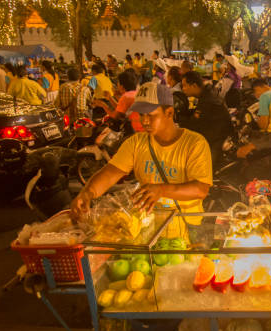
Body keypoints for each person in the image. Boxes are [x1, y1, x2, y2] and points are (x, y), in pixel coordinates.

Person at [70, 82, 212, 243]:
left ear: (169, 113)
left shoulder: (194, 143)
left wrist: (161, 190)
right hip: (147, 230)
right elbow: (110, 173)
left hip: (185, 229)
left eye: (150, 115)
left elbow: (201, 189)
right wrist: (88, 192)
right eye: (141, 115)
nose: (144, 121)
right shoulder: (136, 143)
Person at [181, 71, 233, 169]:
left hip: (218, 138)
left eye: (184, 86)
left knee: (205, 169)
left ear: (194, 85)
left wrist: (179, 125)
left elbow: (195, 124)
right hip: (215, 132)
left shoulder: (207, 100)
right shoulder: (207, 92)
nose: (183, 89)